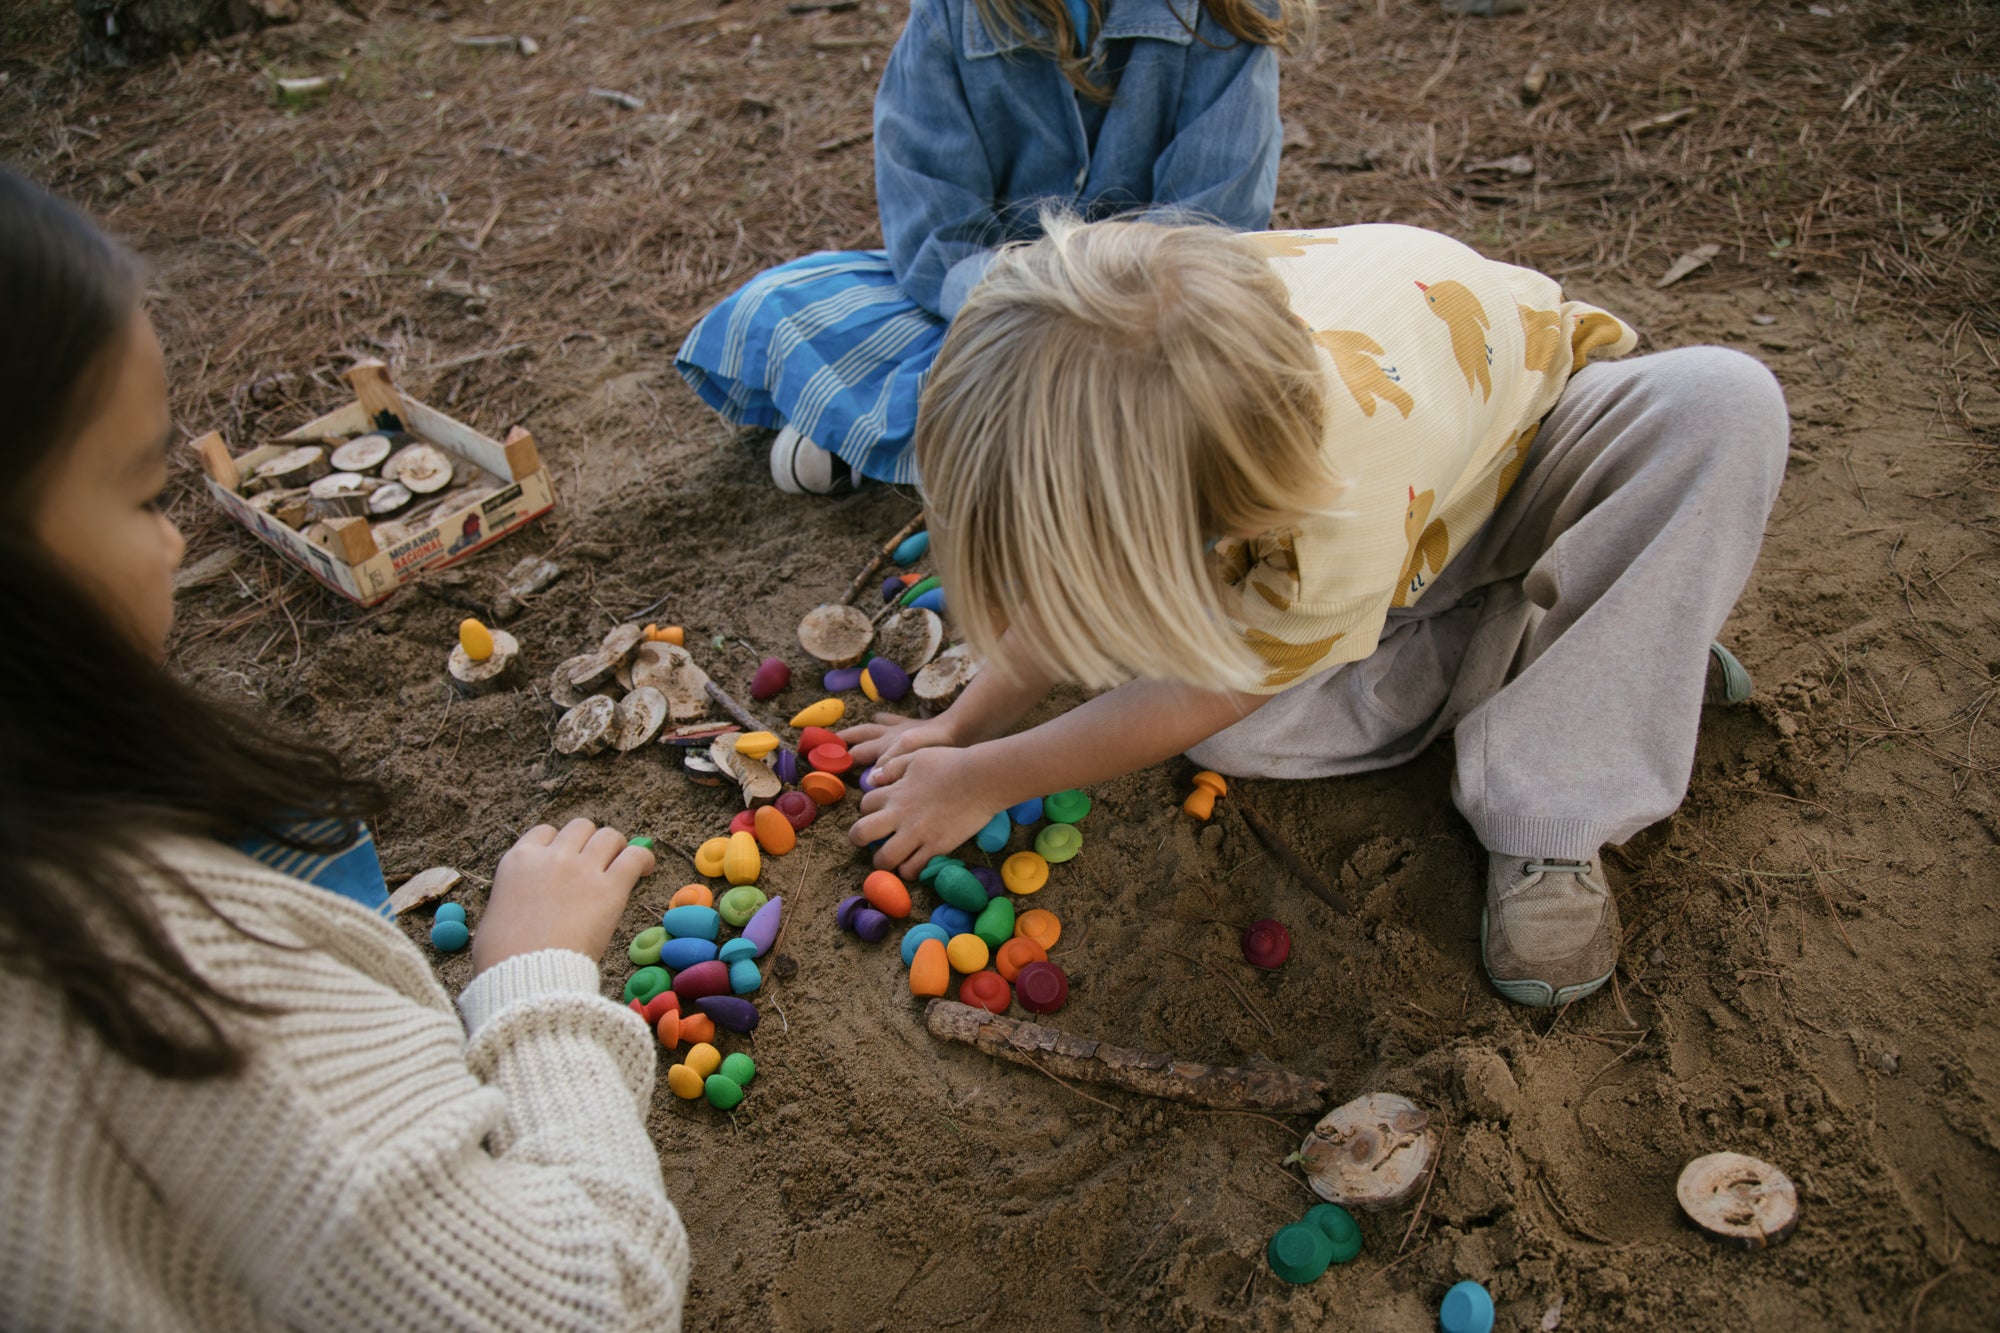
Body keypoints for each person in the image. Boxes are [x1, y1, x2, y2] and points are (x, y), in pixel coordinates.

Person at [0, 168, 691, 1330]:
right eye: (132, 495)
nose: (174, 544)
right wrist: (532, 987)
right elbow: (589, 1306)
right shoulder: (184, 984)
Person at [845, 216, 1787, 1008]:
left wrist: (989, 777)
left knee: (1722, 405)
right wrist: (964, 727)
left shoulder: (1319, 513)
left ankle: (1559, 773)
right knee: (1229, 729)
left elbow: (1189, 684)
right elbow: (1077, 562)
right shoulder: (1159, 322)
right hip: (1385, 542)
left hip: (1532, 469)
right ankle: (1604, 652)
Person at [675, 0, 1306, 494]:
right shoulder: (955, 14)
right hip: (993, 308)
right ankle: (1013, 441)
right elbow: (934, 235)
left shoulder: (1227, 16)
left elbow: (1213, 229)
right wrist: (1036, 304)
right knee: (777, 303)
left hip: (1152, 323)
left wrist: (1095, 305)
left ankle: (911, 434)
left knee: (1211, 378)